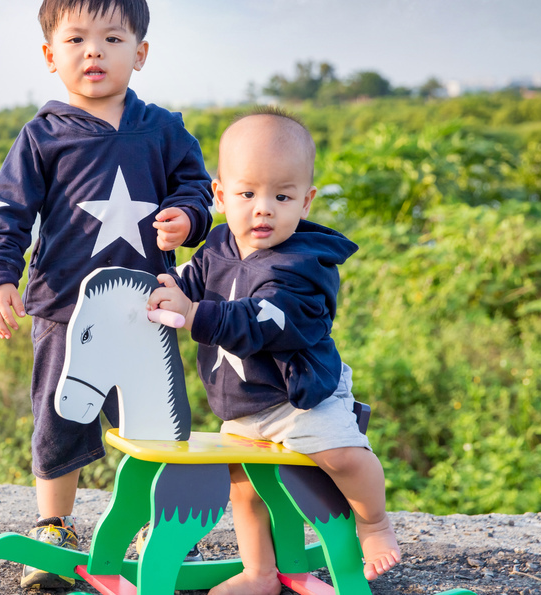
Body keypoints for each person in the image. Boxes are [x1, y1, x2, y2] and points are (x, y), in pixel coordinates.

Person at [0, 0, 213, 590]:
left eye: (112, 38)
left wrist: (187, 216)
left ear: (141, 52)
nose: (94, 52)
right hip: (61, 307)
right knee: (59, 415)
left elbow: (197, 188)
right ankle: (54, 525)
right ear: (51, 55)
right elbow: (7, 213)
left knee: (157, 419)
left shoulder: (162, 129)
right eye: (76, 40)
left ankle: (156, 525)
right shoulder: (42, 136)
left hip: (150, 305)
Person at [146, 109, 401, 594]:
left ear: (305, 201)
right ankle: (259, 572)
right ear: (220, 195)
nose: (263, 209)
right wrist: (162, 290)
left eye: (282, 196)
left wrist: (195, 313)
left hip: (300, 398)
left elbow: (266, 320)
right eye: (247, 194)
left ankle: (374, 523)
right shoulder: (218, 244)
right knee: (243, 486)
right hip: (242, 403)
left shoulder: (305, 265)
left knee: (343, 456)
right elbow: (189, 283)